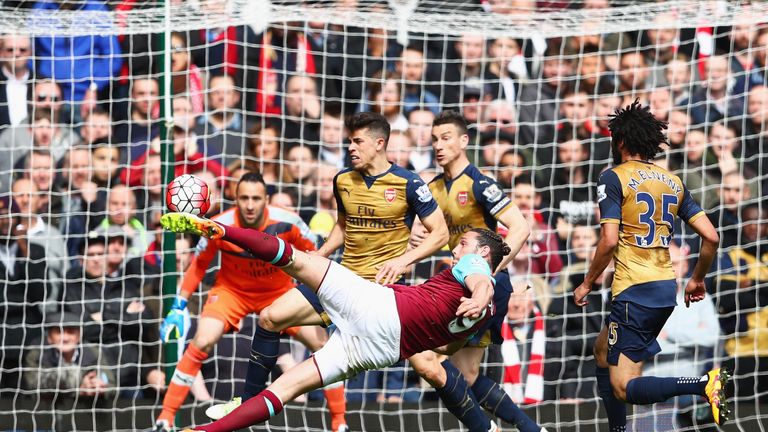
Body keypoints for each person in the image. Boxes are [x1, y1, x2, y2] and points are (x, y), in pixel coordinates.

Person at [204, 112, 448, 431]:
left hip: (380, 296)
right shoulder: (343, 180)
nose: (350, 147)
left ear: (380, 144)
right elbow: (343, 227)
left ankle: (485, 421)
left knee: (429, 367)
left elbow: (440, 233)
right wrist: (318, 256)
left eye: (357, 141)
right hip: (341, 282)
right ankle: (246, 404)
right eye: (349, 141)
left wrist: (405, 260)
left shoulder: (409, 183)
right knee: (269, 318)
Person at [160, 212, 504, 432]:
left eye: (463, 244)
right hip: (380, 350)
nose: (457, 250)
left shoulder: (475, 267)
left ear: (483, 253)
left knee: (297, 260)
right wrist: (477, 301)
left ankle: (219, 229)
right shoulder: (479, 320)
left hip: (379, 308)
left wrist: (479, 293)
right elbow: (444, 346)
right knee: (284, 388)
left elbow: (480, 281)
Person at [572, 100, 729, 430]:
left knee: (623, 387)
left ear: (619, 141)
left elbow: (610, 240)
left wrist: (587, 282)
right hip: (664, 288)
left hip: (634, 290)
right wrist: (697, 279)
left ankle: (702, 385)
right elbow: (712, 237)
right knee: (602, 351)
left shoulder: (613, 178)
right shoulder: (673, 181)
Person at [151, 172, 347, 432]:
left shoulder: (288, 222)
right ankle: (165, 419)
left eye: (256, 198)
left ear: (267, 199)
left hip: (278, 291)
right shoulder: (218, 224)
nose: (250, 205)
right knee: (201, 340)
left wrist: (322, 295)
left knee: (321, 344)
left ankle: (339, 423)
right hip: (232, 292)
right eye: (244, 198)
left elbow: (316, 254)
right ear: (235, 198)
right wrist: (179, 305)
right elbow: (199, 265)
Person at [411, 110, 543, 432]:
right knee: (462, 372)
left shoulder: (480, 183)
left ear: (464, 141)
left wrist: (490, 272)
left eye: (446, 138)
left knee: (433, 359)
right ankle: (529, 429)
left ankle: (495, 428)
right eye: (434, 140)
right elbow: (430, 233)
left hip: (482, 284)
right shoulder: (433, 188)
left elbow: (520, 227)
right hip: (458, 284)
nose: (438, 146)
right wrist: (417, 237)